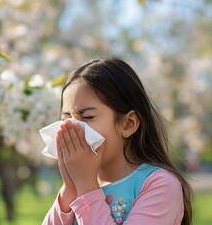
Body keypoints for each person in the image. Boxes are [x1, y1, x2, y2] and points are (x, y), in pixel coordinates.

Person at [42, 57, 193, 225]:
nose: (73, 127)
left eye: (87, 117)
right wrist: (69, 189)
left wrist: (86, 187)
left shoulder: (159, 185)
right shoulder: (75, 189)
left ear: (128, 124)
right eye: (66, 119)